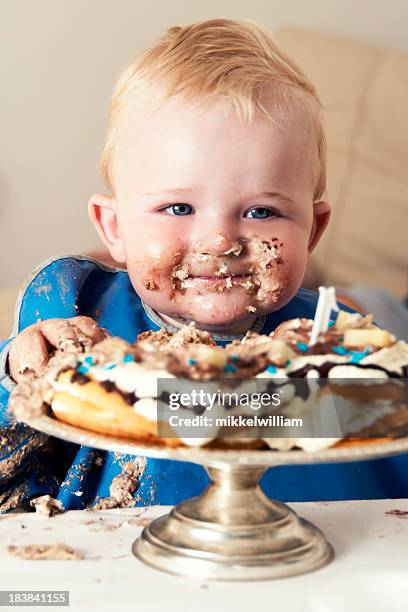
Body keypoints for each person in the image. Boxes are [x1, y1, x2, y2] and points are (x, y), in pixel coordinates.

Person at [0, 19, 406, 512]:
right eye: (178, 208)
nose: (219, 242)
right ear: (114, 229)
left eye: (261, 212)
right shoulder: (74, 310)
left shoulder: (338, 349)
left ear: (312, 232)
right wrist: (16, 370)